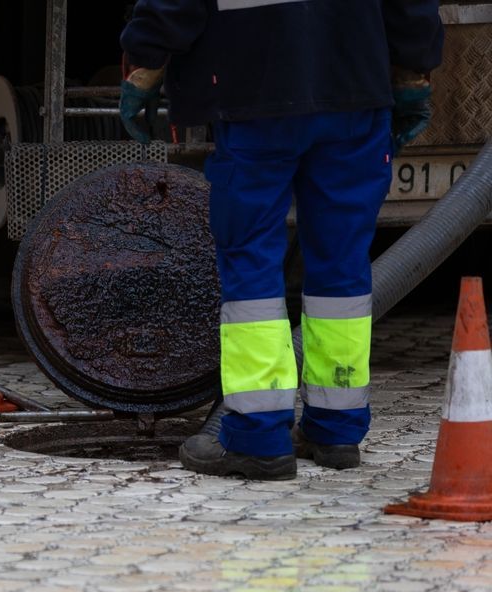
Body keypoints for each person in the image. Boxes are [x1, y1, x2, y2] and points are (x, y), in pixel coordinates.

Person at [120, 0, 444, 480]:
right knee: (343, 265)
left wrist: (145, 60)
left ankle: (257, 437)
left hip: (254, 93)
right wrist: (414, 70)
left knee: (251, 259)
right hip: (355, 91)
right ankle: (335, 429)